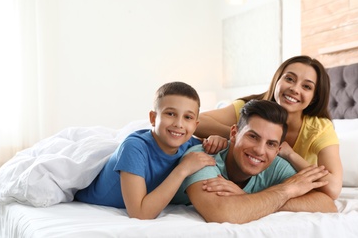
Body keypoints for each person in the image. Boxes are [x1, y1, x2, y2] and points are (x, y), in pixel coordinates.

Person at [195, 55, 342, 200]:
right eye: (289, 79)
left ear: (313, 98)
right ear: (277, 80)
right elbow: (196, 122)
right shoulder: (250, 109)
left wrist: (290, 154)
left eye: (306, 86)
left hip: (282, 192)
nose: (295, 89)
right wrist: (238, 137)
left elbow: (333, 189)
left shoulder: (319, 129)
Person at [172, 99, 337, 224]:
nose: (260, 150)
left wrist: (249, 197)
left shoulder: (276, 164)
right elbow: (223, 213)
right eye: (253, 136)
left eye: (271, 144)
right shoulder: (202, 157)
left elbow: (327, 204)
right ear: (234, 133)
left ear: (278, 150)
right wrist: (286, 191)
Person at [75, 81, 219, 220]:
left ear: (195, 125)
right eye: (170, 114)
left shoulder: (191, 146)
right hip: (87, 196)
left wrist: (218, 141)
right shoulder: (134, 148)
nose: (179, 124)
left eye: (188, 117)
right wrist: (182, 170)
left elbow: (222, 155)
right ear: (153, 118)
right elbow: (139, 214)